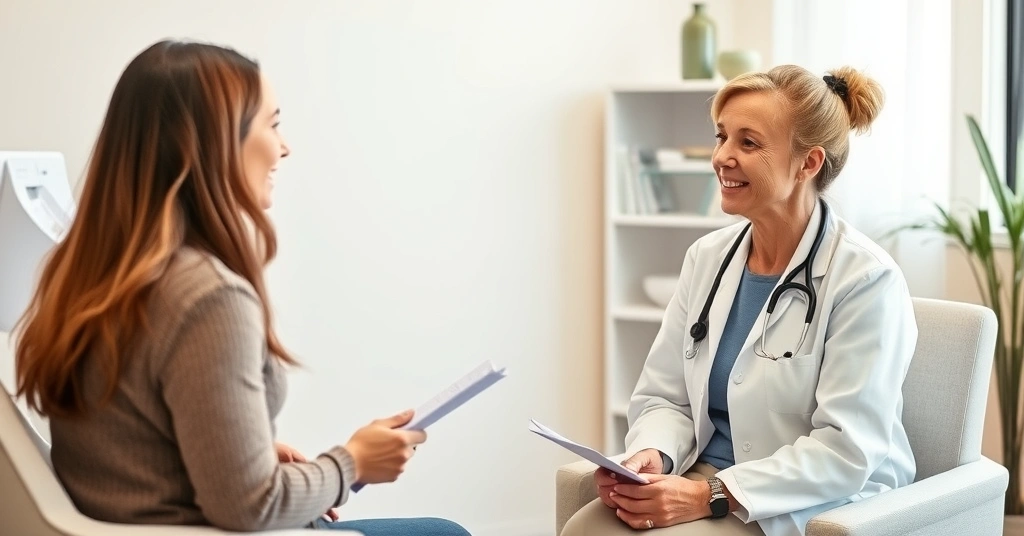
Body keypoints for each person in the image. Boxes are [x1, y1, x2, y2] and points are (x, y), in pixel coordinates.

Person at [13, 40, 470, 536]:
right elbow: (250, 506)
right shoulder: (208, 298)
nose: (284, 147)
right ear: (214, 144)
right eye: (272, 125)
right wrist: (352, 463)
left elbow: (129, 438)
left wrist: (236, 451)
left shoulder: (92, 277)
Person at [562, 65, 917, 536]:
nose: (721, 157)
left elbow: (845, 450)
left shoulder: (866, 280)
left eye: (748, 143)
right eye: (721, 136)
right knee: (586, 529)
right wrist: (654, 453)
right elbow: (665, 396)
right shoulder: (707, 257)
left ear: (808, 164)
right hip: (704, 479)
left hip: (802, 500)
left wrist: (708, 495)